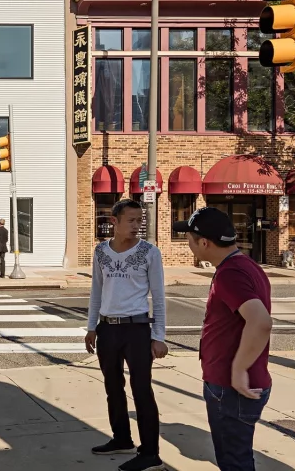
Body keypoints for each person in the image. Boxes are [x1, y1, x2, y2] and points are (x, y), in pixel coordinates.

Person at [173, 207, 273, 471]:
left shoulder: (230, 274)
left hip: (232, 389)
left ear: (204, 242)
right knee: (238, 458)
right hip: (234, 387)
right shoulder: (246, 265)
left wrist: (238, 370)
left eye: (190, 239)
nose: (189, 245)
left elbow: (261, 322)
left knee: (234, 462)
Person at [85, 198, 167, 471]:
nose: (136, 226)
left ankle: (150, 452)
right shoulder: (100, 252)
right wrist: (92, 327)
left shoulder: (150, 253)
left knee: (142, 390)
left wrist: (159, 336)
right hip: (108, 328)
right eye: (130, 221)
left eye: (139, 220)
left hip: (137, 329)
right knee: (113, 387)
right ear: (115, 222)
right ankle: (121, 437)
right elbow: (96, 291)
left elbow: (159, 297)